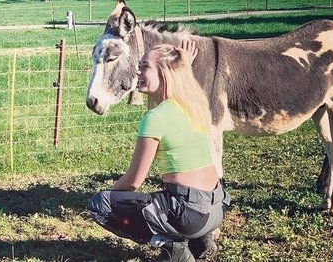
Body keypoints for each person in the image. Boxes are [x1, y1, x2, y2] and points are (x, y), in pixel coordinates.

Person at [87, 41, 229, 262]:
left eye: (145, 66)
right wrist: (184, 66)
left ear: (164, 73)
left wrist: (113, 194)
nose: (138, 71)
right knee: (170, 192)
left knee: (100, 204)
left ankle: (176, 251)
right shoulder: (195, 104)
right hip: (216, 208)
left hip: (191, 215)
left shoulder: (155, 117)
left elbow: (133, 182)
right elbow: (183, 81)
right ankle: (201, 241)